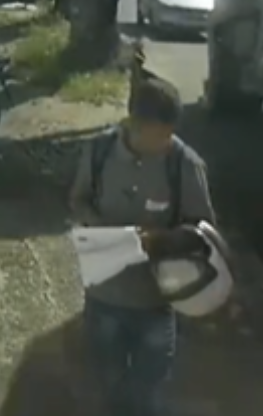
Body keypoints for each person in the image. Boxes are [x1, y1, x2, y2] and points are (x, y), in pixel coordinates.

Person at [68, 76, 215, 416]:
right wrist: (106, 231)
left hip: (156, 302)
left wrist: (160, 239)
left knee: (148, 392)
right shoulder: (99, 151)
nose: (168, 141)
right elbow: (78, 201)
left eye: (170, 133)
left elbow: (203, 230)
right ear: (135, 125)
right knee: (105, 381)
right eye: (159, 134)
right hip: (104, 295)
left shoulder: (185, 164)